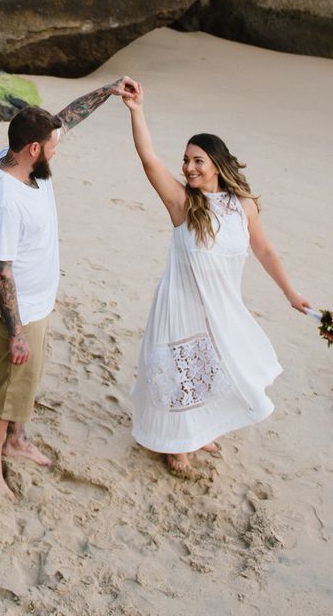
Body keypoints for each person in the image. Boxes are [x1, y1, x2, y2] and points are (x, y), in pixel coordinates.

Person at [120, 80, 308, 476]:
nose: (187, 167)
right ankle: (178, 447)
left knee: (211, 368)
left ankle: (199, 429)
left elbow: (264, 250)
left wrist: (291, 294)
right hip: (181, 303)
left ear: (216, 165)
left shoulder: (242, 207)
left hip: (221, 307)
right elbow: (149, 157)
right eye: (186, 159)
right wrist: (137, 111)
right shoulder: (183, 203)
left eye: (197, 161)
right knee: (180, 372)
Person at [0, 77, 133, 498]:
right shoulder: (4, 198)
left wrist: (109, 90)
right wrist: (17, 332)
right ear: (33, 149)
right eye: (52, 147)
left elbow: (66, 120)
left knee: (25, 382)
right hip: (14, 312)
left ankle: (17, 439)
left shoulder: (26, 162)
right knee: (4, 388)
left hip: (35, 303)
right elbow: (0, 270)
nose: (57, 150)